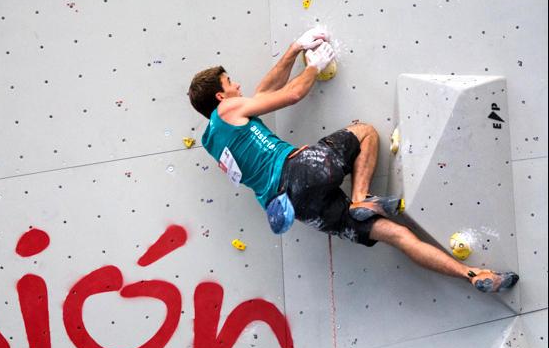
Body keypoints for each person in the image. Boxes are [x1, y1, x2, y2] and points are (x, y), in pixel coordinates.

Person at [187, 28, 519, 293]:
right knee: (365, 132)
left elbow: (262, 95)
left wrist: (293, 50)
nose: (238, 84)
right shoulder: (228, 109)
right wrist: (314, 66)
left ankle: (472, 275)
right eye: (231, 83)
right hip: (300, 168)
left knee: (398, 236)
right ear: (220, 96)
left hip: (297, 206)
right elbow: (290, 94)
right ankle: (361, 198)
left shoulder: (214, 140)